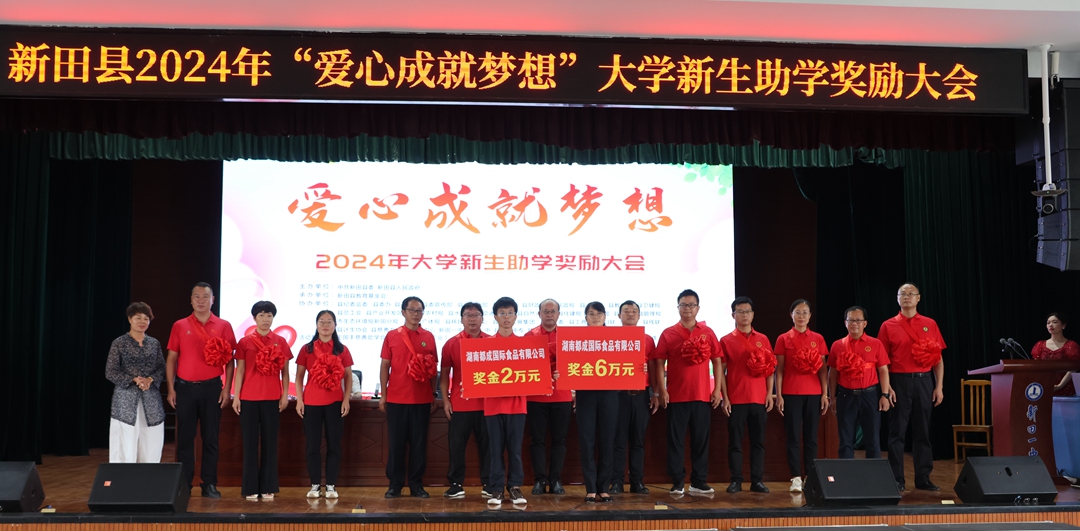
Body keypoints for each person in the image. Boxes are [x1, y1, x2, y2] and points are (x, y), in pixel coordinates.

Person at [165, 282, 236, 498]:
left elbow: (230, 360)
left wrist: (227, 389)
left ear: (213, 299)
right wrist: (171, 389)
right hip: (185, 389)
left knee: (211, 439)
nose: (201, 300)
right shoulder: (180, 325)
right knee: (185, 439)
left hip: (212, 388)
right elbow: (172, 359)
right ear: (191, 300)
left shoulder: (223, 325)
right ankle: (184, 484)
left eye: (205, 296)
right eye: (197, 296)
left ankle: (209, 484)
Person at [650, 289, 723, 496]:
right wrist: (661, 390)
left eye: (691, 305)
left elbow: (717, 360)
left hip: (702, 395)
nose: (687, 309)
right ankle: (677, 481)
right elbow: (659, 362)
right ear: (678, 308)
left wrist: (717, 389)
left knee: (701, 441)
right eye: (683, 305)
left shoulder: (707, 332)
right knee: (675, 441)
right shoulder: (668, 333)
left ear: (698, 308)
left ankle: (699, 481)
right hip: (676, 396)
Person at [877, 283, 946, 491]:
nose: (907, 297)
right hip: (899, 381)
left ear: (918, 298)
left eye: (911, 294)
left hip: (924, 381)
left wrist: (939, 386)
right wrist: (887, 388)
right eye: (903, 294)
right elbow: (882, 361)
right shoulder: (888, 325)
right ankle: (897, 479)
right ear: (897, 298)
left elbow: (938, 358)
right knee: (897, 432)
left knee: (923, 432)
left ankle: (923, 478)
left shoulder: (930, 324)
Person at [232, 301, 293, 500]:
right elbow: (240, 370)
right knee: (249, 444)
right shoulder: (245, 342)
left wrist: (285, 395)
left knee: (270, 443)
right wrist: (236, 396)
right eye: (261, 315)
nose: (266, 319)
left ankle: (268, 487)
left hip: (272, 398)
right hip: (248, 398)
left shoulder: (280, 341)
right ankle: (250, 487)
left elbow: (285, 372)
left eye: (269, 315)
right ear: (254, 318)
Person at [380, 296, 439, 499]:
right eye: (412, 310)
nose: (416, 314)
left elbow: (433, 368)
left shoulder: (428, 337)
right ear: (403, 312)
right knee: (396, 444)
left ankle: (416, 485)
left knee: (419, 444)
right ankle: (394, 485)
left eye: (419, 310)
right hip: (396, 399)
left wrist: (433, 394)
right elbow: (385, 366)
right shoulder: (392, 336)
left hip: (421, 400)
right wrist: (384, 395)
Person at [719, 296, 776, 494]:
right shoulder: (726, 340)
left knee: (758, 442)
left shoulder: (763, 339)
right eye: (740, 312)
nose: (744, 315)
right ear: (733, 315)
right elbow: (721, 372)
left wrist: (769, 393)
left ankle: (757, 480)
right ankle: (736, 480)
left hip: (759, 399)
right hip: (736, 399)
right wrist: (725, 397)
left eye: (748, 311)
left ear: (753, 314)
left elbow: (770, 368)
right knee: (735, 442)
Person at [295, 310, 353, 499]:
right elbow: (299, 376)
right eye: (322, 322)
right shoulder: (307, 349)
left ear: (335, 326)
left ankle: (330, 485)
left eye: (329, 322)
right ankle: (314, 485)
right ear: (316, 325)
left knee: (334, 444)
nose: (325, 325)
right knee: (312, 445)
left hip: (335, 403)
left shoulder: (342, 349)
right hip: (311, 403)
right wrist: (299, 400)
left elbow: (348, 377)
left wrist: (346, 400)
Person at [773, 299, 828, 494]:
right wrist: (779, 395)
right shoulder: (783, 338)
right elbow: (779, 370)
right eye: (798, 312)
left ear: (810, 316)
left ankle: (810, 477)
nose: (801, 316)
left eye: (805, 312)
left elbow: (823, 369)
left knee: (811, 438)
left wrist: (825, 394)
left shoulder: (818, 339)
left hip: (813, 394)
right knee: (793, 437)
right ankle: (796, 477)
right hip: (791, 393)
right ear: (791, 315)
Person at [439, 302, 492, 499]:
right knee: (456, 446)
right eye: (468, 315)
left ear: (482, 319)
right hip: (460, 404)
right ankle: (456, 484)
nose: (472, 319)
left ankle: (489, 483)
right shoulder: (452, 343)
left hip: (486, 405)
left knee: (488, 446)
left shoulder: (492, 342)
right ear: (461, 319)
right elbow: (444, 375)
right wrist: (446, 401)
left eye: (476, 315)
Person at [828, 306, 892, 460]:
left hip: (870, 395)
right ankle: (846, 473)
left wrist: (885, 395)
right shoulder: (838, 345)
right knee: (845, 440)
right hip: (846, 396)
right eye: (851, 320)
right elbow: (833, 373)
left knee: (873, 440)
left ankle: (873, 474)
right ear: (845, 323)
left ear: (865, 323)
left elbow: (883, 370)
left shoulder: (875, 343)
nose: (854, 323)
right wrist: (833, 397)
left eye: (858, 320)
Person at [107, 302, 166, 463]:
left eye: (146, 318)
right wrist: (133, 379)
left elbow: (161, 368)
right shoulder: (119, 343)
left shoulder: (154, 343)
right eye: (138, 317)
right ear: (129, 319)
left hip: (151, 401)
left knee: (150, 445)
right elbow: (111, 371)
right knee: (125, 446)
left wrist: (150, 379)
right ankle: (123, 478)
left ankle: (148, 478)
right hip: (125, 402)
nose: (142, 321)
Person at [525, 298, 572, 495]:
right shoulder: (530, 336)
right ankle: (539, 480)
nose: (549, 314)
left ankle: (555, 480)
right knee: (537, 440)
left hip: (562, 396)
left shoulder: (569, 337)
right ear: (539, 314)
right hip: (536, 397)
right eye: (546, 311)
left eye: (553, 311)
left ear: (558, 314)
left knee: (559, 440)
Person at [486, 297, 529, 507]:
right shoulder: (484, 346)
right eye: (502, 313)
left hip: (517, 406)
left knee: (515, 450)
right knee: (495, 450)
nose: (506, 317)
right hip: (492, 406)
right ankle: (496, 489)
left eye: (510, 313)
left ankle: (514, 487)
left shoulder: (525, 346)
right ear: (495, 317)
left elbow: (533, 374)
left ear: (516, 316)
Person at [610, 300, 656, 495]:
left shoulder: (647, 340)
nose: (630, 314)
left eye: (634, 311)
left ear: (639, 315)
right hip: (618, 396)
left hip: (641, 395)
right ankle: (617, 482)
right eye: (626, 311)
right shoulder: (611, 339)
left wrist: (655, 393)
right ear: (619, 316)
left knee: (638, 441)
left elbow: (654, 368)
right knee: (618, 441)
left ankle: (637, 481)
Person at [576, 302, 618, 503]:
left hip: (609, 393)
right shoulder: (576, 340)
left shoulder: (615, 339)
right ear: (585, 318)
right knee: (587, 441)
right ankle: (591, 488)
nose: (595, 317)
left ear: (605, 317)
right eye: (591, 314)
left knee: (607, 441)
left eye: (599, 314)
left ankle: (604, 487)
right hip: (585, 394)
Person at [1032, 312, 1080, 396]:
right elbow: (1036, 368)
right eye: (1048, 323)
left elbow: (1073, 368)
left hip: (1066, 389)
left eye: (1054, 322)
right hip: (1044, 387)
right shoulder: (1040, 345)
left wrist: (1059, 386)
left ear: (1063, 325)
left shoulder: (1071, 345)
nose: (1050, 325)